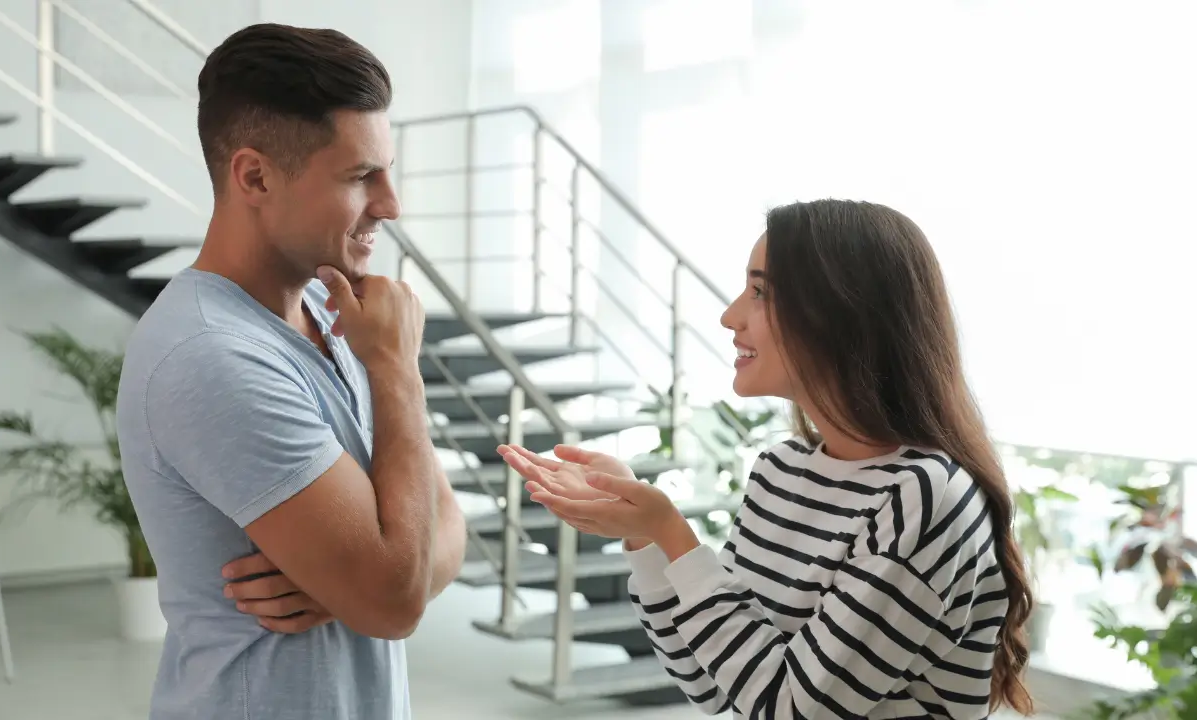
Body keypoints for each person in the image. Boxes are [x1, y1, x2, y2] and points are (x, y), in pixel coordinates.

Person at [498, 199, 1034, 719]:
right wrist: (644, 534)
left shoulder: (923, 496)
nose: (730, 316)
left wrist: (672, 532)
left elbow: (792, 710)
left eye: (760, 292)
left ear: (839, 313)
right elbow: (709, 682)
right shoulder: (780, 472)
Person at [116, 23, 466, 720]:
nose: (392, 203)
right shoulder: (211, 355)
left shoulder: (331, 312)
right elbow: (393, 601)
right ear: (255, 175)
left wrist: (364, 576)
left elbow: (445, 528)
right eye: (361, 175)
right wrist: (397, 372)